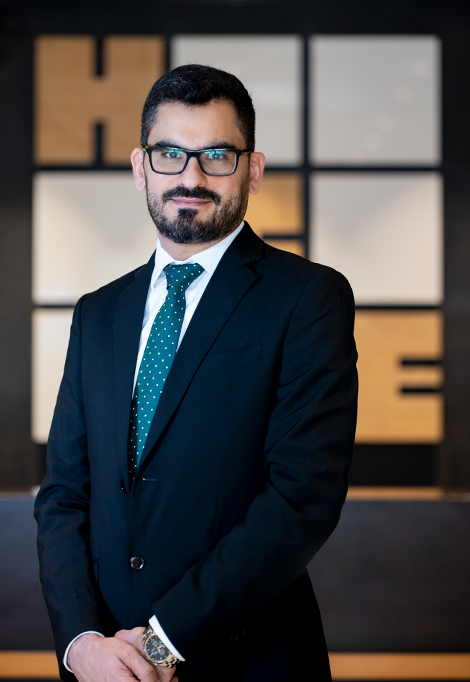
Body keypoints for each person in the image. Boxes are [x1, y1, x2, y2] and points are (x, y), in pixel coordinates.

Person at [34, 64, 358, 682]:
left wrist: (158, 647)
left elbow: (301, 497)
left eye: (217, 155)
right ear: (141, 168)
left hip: (247, 664)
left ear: (252, 169)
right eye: (170, 154)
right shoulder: (98, 313)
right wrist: (81, 643)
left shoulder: (307, 298)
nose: (191, 177)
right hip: (102, 666)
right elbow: (64, 494)